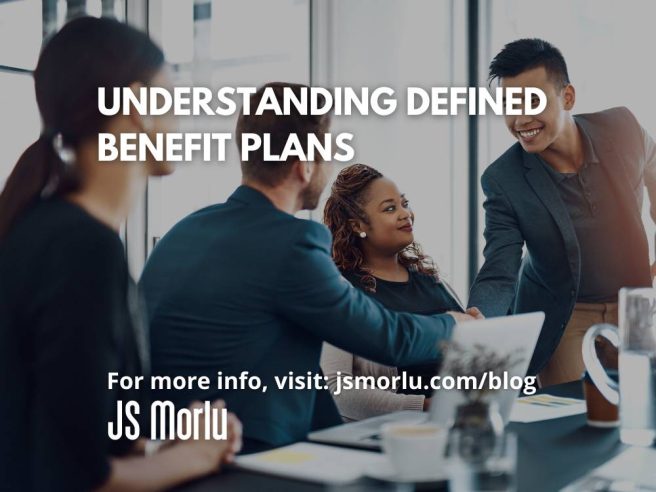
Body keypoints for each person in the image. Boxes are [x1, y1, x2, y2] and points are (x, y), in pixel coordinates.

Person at [140, 82, 474, 453]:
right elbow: (386, 338)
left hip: (167, 452)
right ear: (304, 167)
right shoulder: (292, 242)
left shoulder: (183, 231)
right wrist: (454, 326)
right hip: (248, 456)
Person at [0, 17, 241, 492]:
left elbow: (67, 438)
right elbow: (77, 480)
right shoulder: (82, 248)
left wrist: (166, 448)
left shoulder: (44, 229)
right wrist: (196, 454)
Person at [468, 38, 656, 386]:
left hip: (634, 307)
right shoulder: (502, 179)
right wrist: (478, 320)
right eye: (509, 106)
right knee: (572, 414)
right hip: (564, 315)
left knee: (642, 404)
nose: (519, 119)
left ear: (567, 97)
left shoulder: (622, 128)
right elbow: (499, 268)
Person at [321, 163, 481, 421]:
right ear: (356, 225)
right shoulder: (340, 290)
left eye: (404, 203)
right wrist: (427, 406)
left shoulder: (433, 280)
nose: (406, 214)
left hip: (458, 421)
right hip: (392, 433)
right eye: (390, 208)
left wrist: (481, 336)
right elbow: (337, 390)